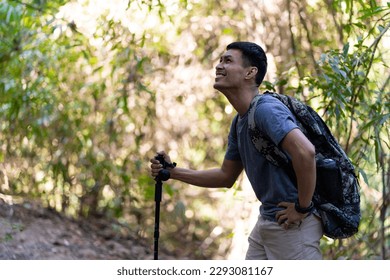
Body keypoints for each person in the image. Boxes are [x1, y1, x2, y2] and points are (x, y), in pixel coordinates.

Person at [150, 41, 323, 260]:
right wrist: (173, 172)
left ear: (250, 72)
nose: (219, 66)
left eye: (228, 61)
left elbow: (306, 152)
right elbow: (226, 176)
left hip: (293, 226)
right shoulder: (240, 121)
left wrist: (302, 208)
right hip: (269, 222)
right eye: (220, 60)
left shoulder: (266, 109)